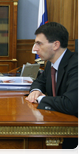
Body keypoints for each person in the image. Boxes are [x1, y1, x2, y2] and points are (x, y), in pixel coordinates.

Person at [25, 22, 80, 154]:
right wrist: (36, 90)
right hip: (55, 123)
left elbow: (70, 104)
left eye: (39, 43)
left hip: (73, 132)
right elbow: (39, 81)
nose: (34, 48)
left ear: (55, 45)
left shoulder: (77, 65)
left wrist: (41, 99)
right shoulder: (51, 63)